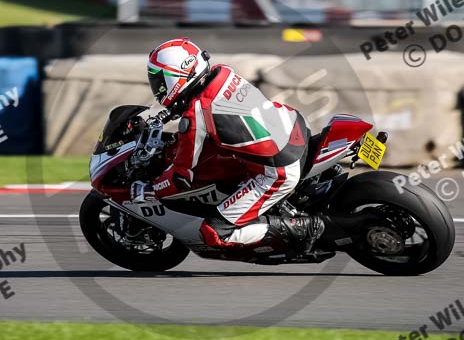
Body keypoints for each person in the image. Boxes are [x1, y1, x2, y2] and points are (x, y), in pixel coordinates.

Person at [131, 38, 325, 253]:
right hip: (293, 126)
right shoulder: (223, 73)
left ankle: (303, 228)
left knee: (215, 233)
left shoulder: (196, 116)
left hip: (278, 169)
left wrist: (150, 189)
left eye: (159, 81)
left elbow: (181, 176)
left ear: (177, 76)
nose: (157, 88)